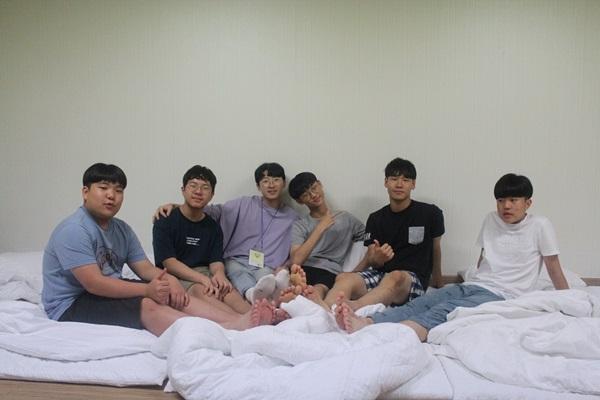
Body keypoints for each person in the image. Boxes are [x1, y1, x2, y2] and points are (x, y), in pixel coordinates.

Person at [42, 163, 275, 337]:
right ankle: (226, 330)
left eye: (118, 190)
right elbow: (94, 284)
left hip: (103, 292)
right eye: (103, 188)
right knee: (148, 303)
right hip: (72, 303)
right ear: (85, 192)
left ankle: (240, 321)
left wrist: (168, 280)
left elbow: (144, 268)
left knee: (168, 290)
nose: (111, 195)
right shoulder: (74, 229)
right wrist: (147, 289)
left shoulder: (121, 229)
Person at [336, 173, 570, 342]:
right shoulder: (491, 219)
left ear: (528, 203)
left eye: (513, 200)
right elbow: (483, 258)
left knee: (444, 310)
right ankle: (367, 322)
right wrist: (472, 280)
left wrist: (568, 299)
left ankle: (393, 336)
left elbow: (553, 267)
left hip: (503, 294)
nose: (506, 206)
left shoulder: (540, 225)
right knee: (423, 302)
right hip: (474, 285)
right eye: (501, 201)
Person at [154, 162, 297, 303]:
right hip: (236, 260)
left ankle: (276, 293)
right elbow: (207, 210)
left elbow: (296, 248)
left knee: (266, 277)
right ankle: (252, 294)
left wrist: (285, 266)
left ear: (284, 183)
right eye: (265, 181)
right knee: (236, 272)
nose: (271, 185)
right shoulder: (243, 204)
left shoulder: (293, 217)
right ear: (258, 186)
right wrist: (174, 206)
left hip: (267, 265)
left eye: (276, 180)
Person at [324, 158, 445, 311]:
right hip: (381, 275)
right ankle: (325, 311)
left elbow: (436, 248)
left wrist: (438, 281)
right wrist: (376, 259)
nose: (399, 184)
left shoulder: (430, 213)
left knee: (395, 276)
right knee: (343, 278)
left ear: (413, 184)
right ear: (386, 182)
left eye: (405, 180)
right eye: (394, 179)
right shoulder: (375, 218)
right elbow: (371, 259)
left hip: (411, 280)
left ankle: (353, 308)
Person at [152, 165, 250, 313]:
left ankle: (257, 317)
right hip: (175, 275)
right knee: (202, 290)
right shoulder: (165, 220)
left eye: (205, 188)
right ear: (183, 190)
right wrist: (201, 279)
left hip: (204, 272)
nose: (198, 191)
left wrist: (219, 274)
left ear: (212, 195)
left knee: (227, 290)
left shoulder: (213, 226)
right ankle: (241, 321)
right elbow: (170, 263)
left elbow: (215, 261)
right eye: (193, 186)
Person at [285, 172, 365, 301]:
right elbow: (296, 261)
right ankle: (295, 296)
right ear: (299, 201)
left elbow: (367, 236)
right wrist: (320, 227)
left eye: (314, 188)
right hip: (303, 269)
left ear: (320, 184)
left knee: (319, 288)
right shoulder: (300, 225)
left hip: (329, 271)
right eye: (306, 195)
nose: (313, 195)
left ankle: (305, 298)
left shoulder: (345, 218)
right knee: (293, 281)